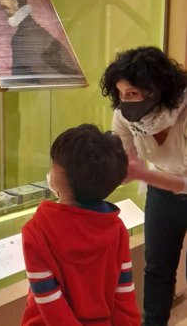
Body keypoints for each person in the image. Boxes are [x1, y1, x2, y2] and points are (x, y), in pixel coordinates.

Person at [100, 46, 187, 326]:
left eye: (133, 94)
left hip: (170, 183)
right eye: (122, 94)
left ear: (156, 89)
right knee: (157, 268)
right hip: (163, 192)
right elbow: (127, 164)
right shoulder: (125, 117)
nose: (126, 102)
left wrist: (141, 174)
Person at [21, 124, 141, 325]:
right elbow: (124, 292)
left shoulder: (37, 232)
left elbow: (50, 302)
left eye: (54, 165)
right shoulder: (116, 227)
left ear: (62, 178)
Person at [0, 0, 78, 76]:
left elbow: (20, 79)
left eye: (6, 8)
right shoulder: (39, 34)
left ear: (15, 2)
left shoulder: (21, 39)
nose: (5, 13)